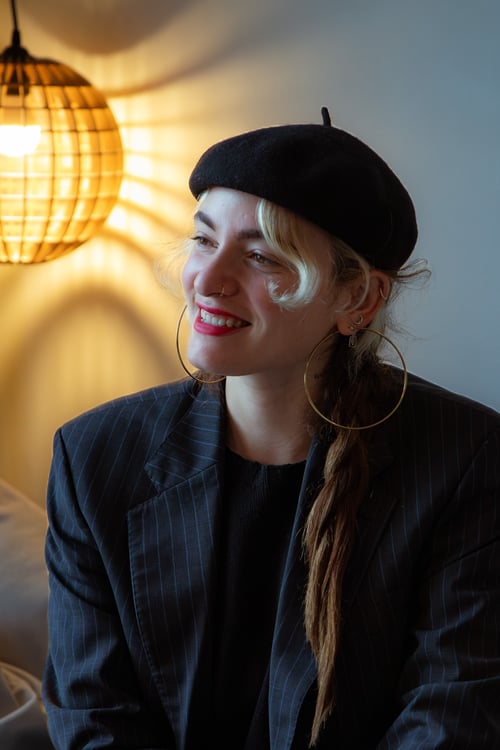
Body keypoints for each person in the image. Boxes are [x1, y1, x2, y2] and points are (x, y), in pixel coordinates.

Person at [42, 107, 500, 750]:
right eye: (204, 240)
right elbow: (92, 717)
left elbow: (452, 717)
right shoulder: (93, 457)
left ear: (359, 299)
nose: (207, 280)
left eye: (260, 256)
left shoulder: (467, 459)